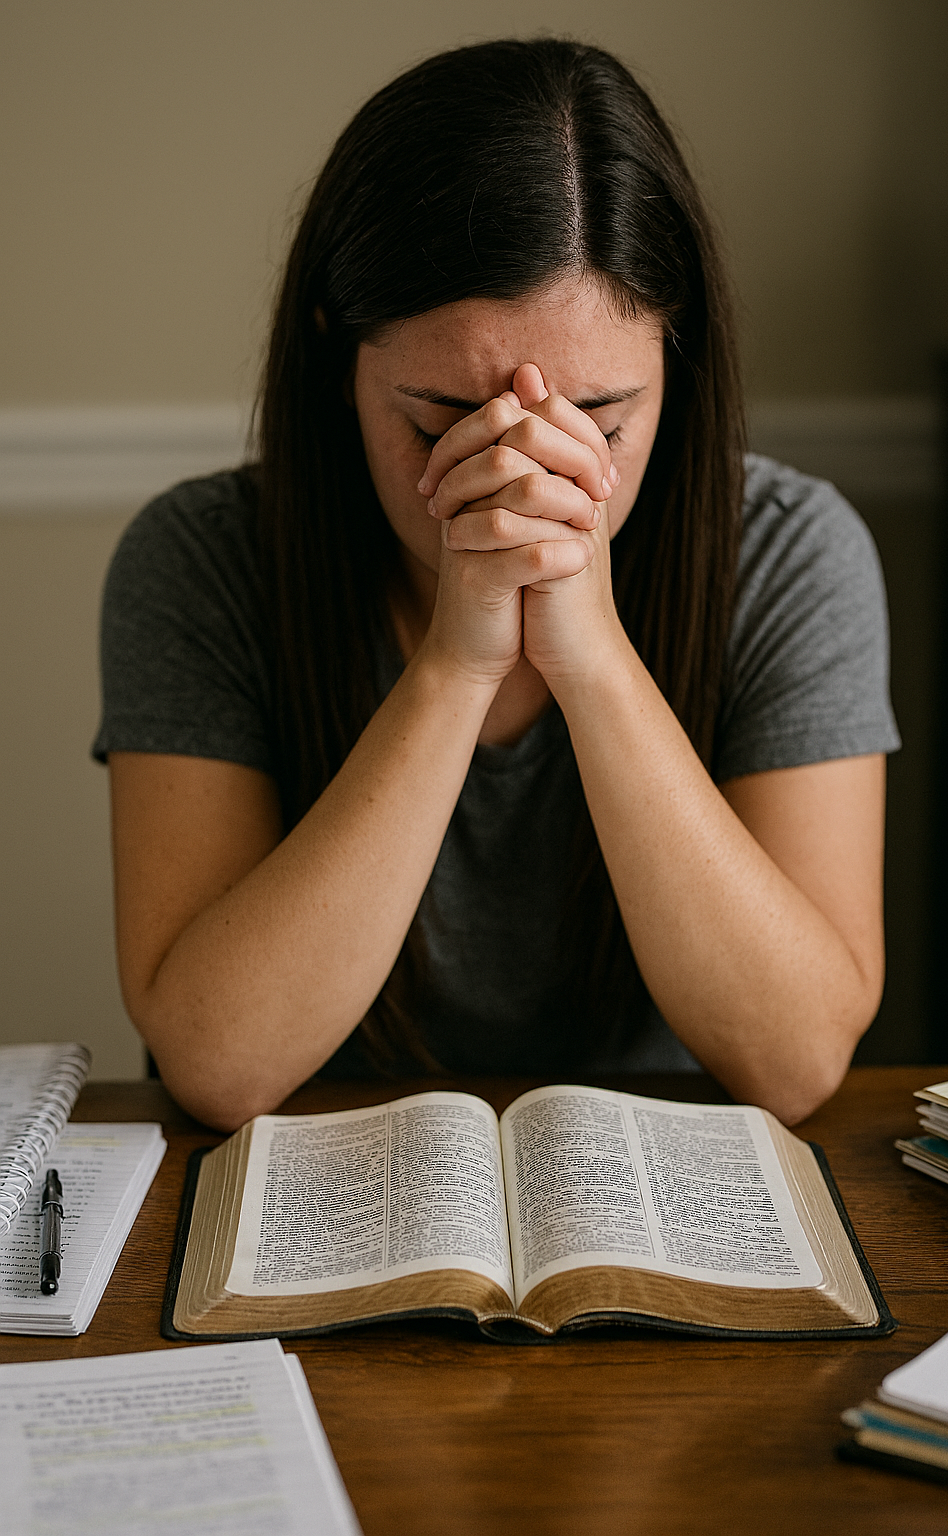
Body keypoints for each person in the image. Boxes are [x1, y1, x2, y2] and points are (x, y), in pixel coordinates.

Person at [93, 38, 900, 1133]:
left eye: (599, 425)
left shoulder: (793, 553)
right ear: (338, 357)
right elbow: (217, 1065)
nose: (522, 482)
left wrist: (595, 658)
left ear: (680, 360)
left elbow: (797, 1059)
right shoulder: (200, 558)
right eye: (442, 425)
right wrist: (457, 663)